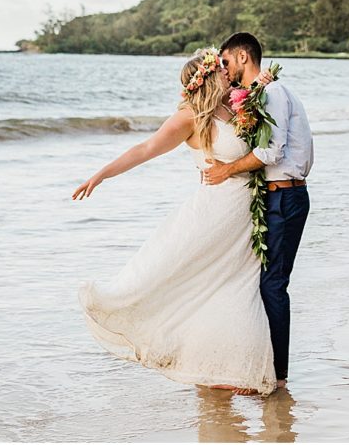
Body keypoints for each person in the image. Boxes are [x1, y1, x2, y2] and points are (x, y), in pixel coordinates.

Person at [73, 48, 278, 396]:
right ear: (209, 76)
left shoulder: (235, 105)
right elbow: (146, 148)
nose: (229, 72)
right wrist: (102, 175)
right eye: (222, 68)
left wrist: (262, 83)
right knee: (199, 283)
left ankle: (224, 365)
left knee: (234, 287)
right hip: (216, 213)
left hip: (245, 214)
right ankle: (224, 368)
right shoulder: (188, 117)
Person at [203, 32, 313, 390]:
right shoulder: (263, 93)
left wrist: (225, 170)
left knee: (273, 285)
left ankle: (278, 377)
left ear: (242, 57)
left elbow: (271, 153)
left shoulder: (272, 94)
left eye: (225, 62)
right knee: (261, 282)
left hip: (286, 196)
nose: (225, 69)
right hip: (275, 196)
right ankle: (259, 366)